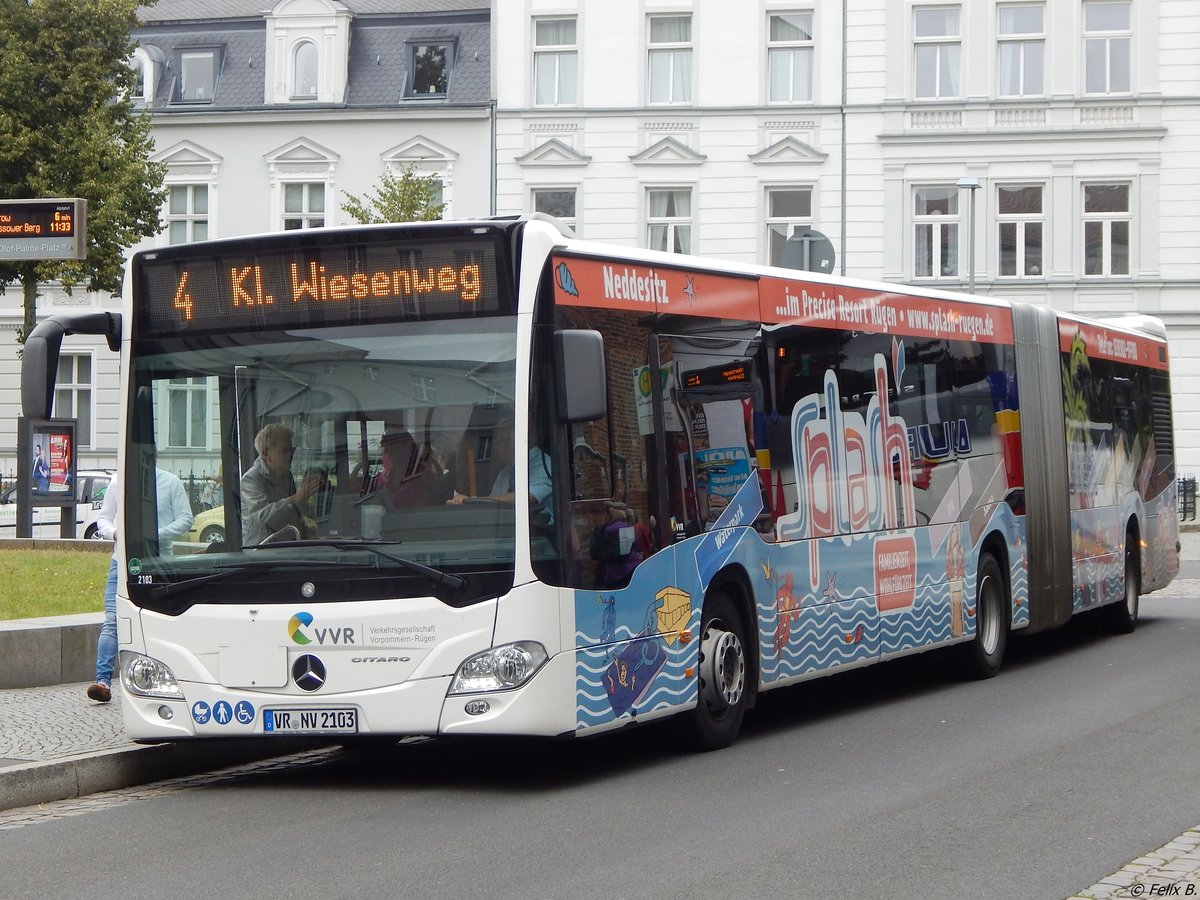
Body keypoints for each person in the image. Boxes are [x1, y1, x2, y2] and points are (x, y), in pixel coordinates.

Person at [86, 466, 195, 703]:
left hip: (161, 560)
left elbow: (186, 518)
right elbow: (103, 518)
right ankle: (103, 681)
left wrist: (155, 534)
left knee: (163, 617)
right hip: (122, 559)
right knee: (113, 619)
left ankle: (167, 678)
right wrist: (114, 534)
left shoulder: (170, 481)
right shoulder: (118, 482)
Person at [447, 421, 553, 524]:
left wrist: (473, 500)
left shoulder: (544, 464)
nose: (497, 447)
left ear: (522, 438)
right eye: (497, 441)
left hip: (540, 533)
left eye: (503, 440)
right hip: (508, 529)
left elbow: (526, 497)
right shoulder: (506, 472)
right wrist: (463, 505)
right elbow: (493, 505)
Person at [241, 423, 320, 545]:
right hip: (261, 554)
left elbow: (294, 512)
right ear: (266, 454)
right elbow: (265, 516)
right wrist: (297, 497)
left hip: (287, 549)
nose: (290, 455)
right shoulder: (250, 480)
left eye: (292, 450)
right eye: (284, 451)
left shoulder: (286, 476)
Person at [589, 501, 645, 589]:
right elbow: (635, 548)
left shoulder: (600, 530)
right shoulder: (627, 528)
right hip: (628, 572)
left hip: (609, 574)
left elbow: (593, 553)